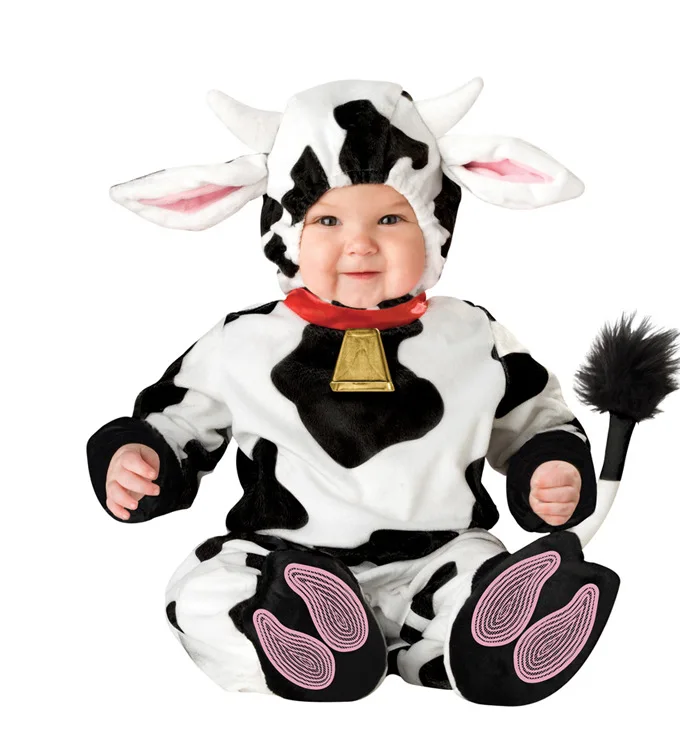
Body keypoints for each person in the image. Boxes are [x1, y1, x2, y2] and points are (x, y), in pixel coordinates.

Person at [86, 78, 620, 705]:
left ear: (435, 225)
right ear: (287, 233)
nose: (360, 243)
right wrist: (140, 457)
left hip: (437, 559)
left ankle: (487, 641)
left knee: (475, 580)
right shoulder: (244, 341)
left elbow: (535, 418)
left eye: (391, 218)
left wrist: (550, 465)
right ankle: (304, 633)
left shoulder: (472, 335)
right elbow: (177, 421)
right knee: (205, 590)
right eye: (328, 220)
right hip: (284, 559)